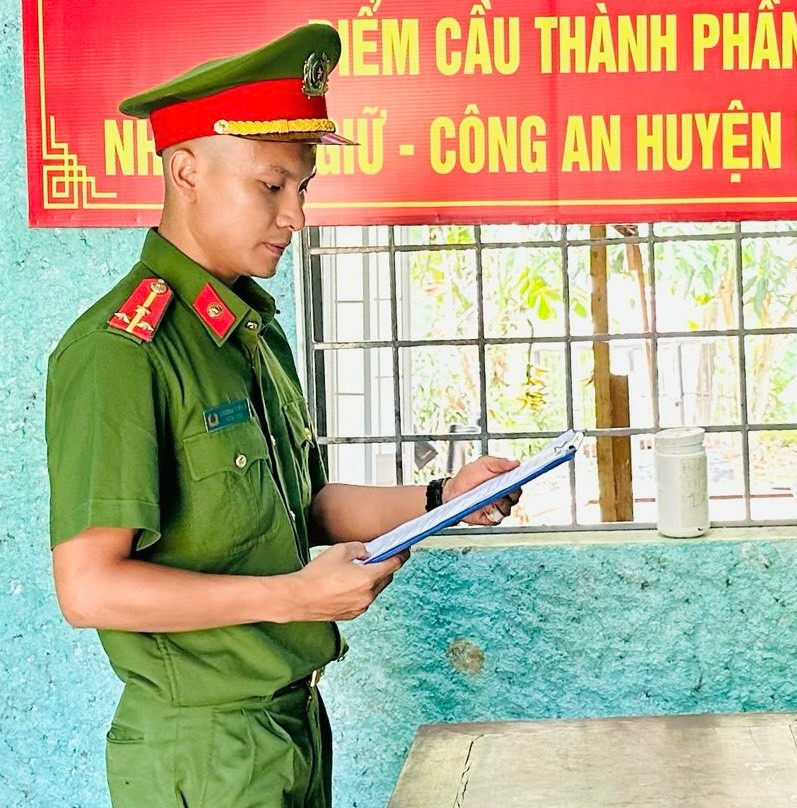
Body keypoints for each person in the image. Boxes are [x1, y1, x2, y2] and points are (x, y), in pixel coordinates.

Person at [44, 24, 519, 807]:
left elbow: (304, 508)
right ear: (186, 170)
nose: (295, 215)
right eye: (272, 186)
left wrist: (444, 499)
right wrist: (293, 597)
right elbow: (90, 589)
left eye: (304, 188)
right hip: (202, 751)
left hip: (292, 725)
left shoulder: (248, 332)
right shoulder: (123, 350)